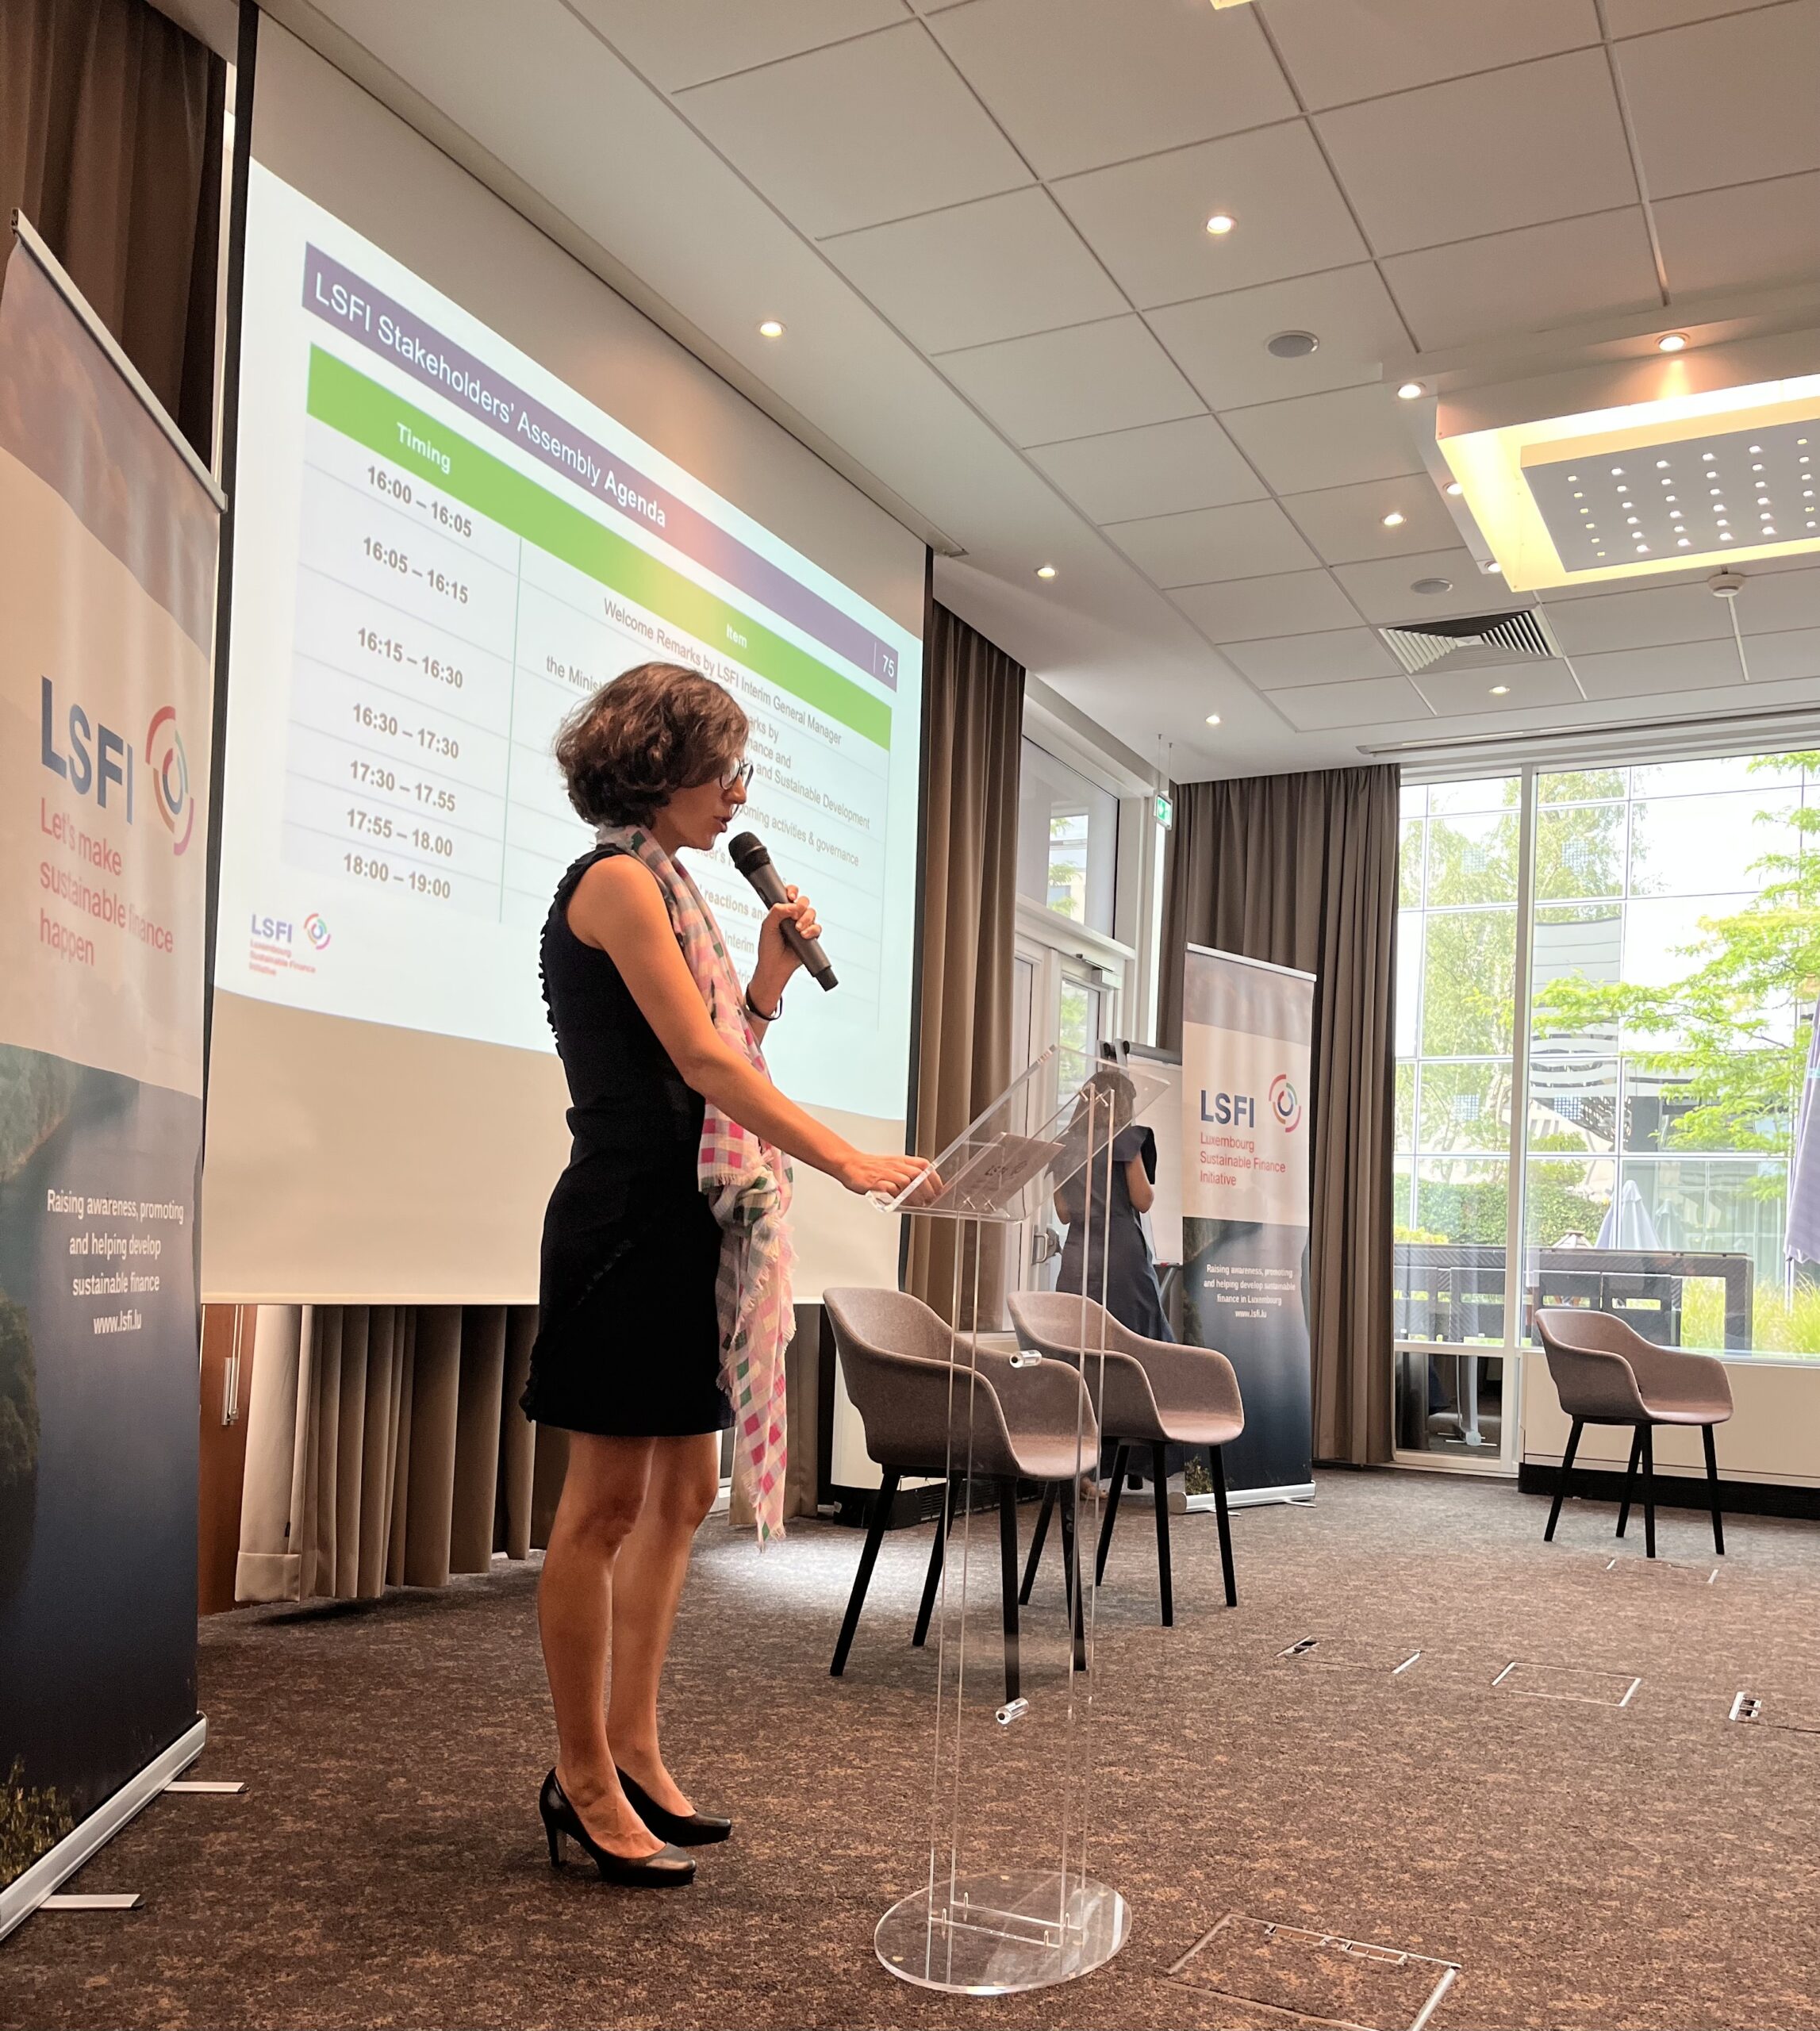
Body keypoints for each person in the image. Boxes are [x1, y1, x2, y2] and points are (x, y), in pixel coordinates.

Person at [522, 661, 931, 1890]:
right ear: (661, 767)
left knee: (681, 1496)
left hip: (689, 1224)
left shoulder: (679, 893)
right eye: (726, 770)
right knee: (602, 1507)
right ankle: (580, 1775)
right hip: (623, 1224)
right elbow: (702, 1067)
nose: (738, 794)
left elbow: (720, 1040)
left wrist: (765, 976)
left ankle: (634, 1749)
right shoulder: (612, 883)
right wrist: (848, 1160)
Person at [1051, 1066, 1172, 1344]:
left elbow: (1064, 1213)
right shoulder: (1126, 1140)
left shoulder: (1064, 1146)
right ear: (1123, 1106)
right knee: (1133, 1336)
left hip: (1079, 1251)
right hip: (1121, 1252)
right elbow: (1143, 1200)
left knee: (1079, 1335)